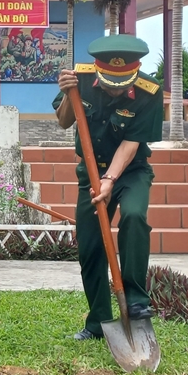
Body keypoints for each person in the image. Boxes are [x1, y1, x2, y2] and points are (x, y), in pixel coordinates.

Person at [53, 34, 163, 340]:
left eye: (122, 82)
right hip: (90, 173)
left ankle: (137, 301)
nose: (116, 88)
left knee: (134, 217)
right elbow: (64, 122)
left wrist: (110, 180)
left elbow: (131, 144)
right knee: (90, 246)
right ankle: (98, 322)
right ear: (98, 68)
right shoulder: (80, 79)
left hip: (130, 172)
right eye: (110, 81)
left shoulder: (148, 90)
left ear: (135, 71)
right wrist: (66, 95)